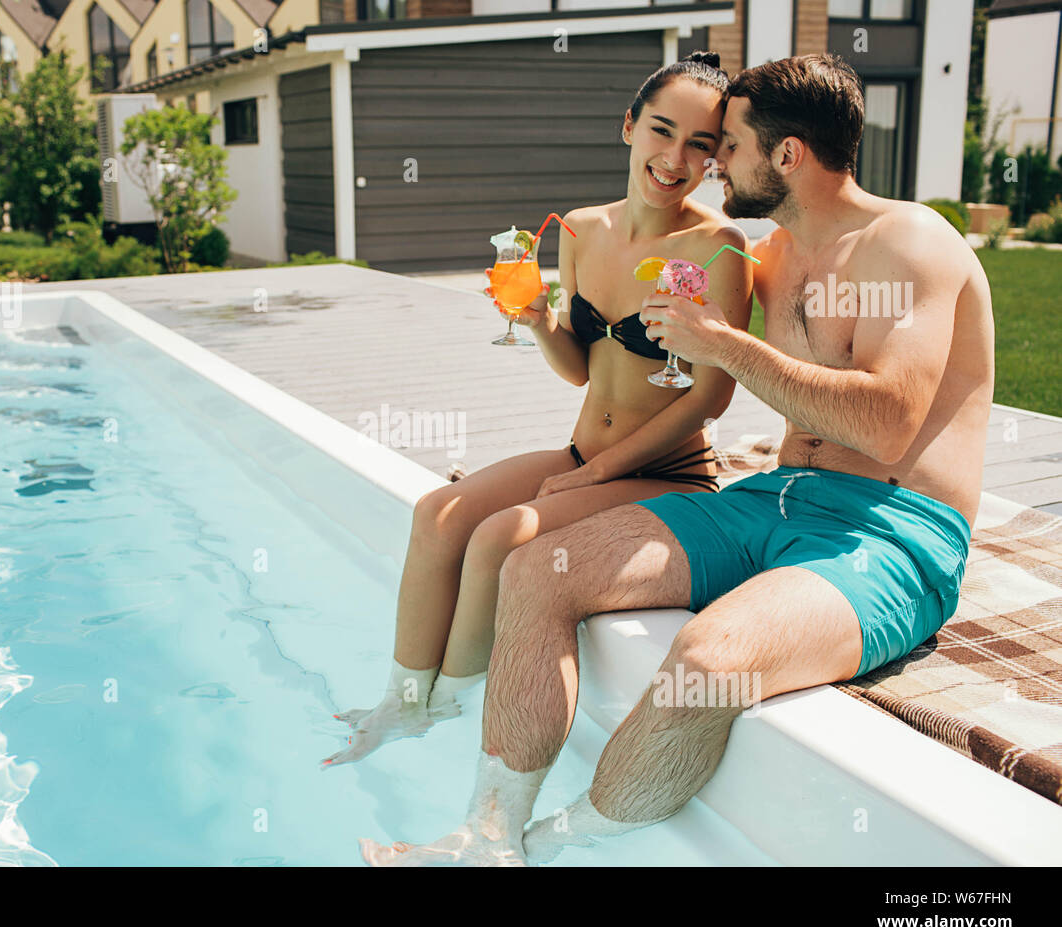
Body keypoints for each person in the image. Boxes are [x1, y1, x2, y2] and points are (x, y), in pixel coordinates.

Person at [361, 52, 994, 864]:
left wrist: (722, 346)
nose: (709, 164)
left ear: (787, 155)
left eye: (726, 145)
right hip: (772, 498)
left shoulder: (910, 241)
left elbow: (887, 427)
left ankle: (547, 845)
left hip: (891, 530)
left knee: (708, 657)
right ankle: (484, 831)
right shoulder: (768, 259)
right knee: (535, 570)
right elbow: (650, 323)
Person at [323, 52, 754, 767]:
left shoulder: (718, 248)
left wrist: (599, 473)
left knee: (499, 538)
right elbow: (582, 368)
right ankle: (403, 705)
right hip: (584, 457)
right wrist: (534, 319)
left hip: (669, 475)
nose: (675, 157)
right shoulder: (583, 229)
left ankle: (452, 717)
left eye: (700, 145)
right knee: (438, 512)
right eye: (661, 130)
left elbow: (710, 396)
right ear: (628, 127)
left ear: (714, 159)